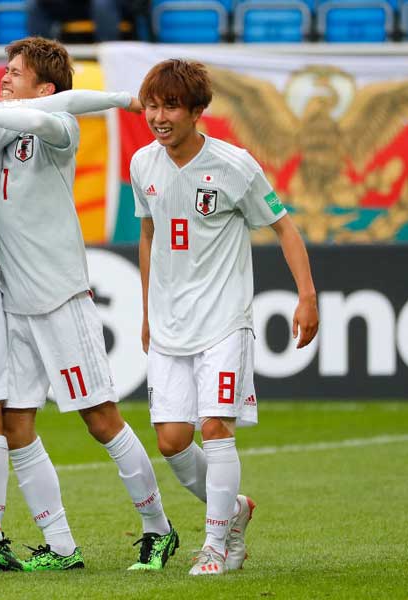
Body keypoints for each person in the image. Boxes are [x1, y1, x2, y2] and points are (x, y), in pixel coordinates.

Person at [0, 34, 145, 572]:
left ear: (43, 84)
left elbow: (52, 115)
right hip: (9, 301)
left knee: (102, 419)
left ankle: (157, 528)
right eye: (6, 69)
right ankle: (57, 547)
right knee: (14, 425)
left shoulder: (58, 128)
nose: (5, 77)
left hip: (60, 296)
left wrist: (120, 98)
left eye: (15, 71)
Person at [130, 59, 318, 575]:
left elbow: (285, 228)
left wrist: (307, 296)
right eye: (152, 105)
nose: (159, 116)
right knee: (171, 441)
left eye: (171, 106)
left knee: (216, 427)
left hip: (223, 321)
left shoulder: (234, 164)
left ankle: (213, 546)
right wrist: (146, 308)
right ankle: (233, 512)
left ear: (197, 111)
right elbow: (148, 234)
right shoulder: (142, 164)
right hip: (169, 323)